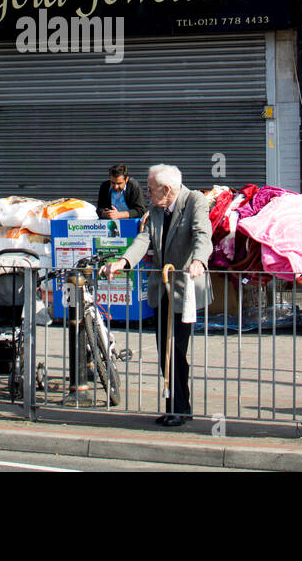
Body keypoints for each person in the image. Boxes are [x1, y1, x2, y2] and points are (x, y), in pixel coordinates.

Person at [106, 164, 211, 426]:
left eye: (151, 190)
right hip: (161, 287)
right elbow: (144, 240)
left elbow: (202, 234)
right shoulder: (156, 209)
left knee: (176, 348)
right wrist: (124, 262)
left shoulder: (194, 201)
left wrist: (198, 260)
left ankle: (180, 408)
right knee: (165, 347)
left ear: (166, 190)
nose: (148, 194)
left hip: (185, 287)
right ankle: (174, 406)